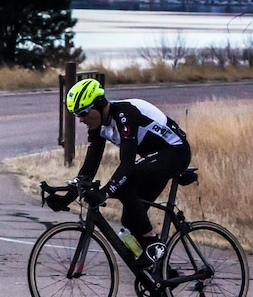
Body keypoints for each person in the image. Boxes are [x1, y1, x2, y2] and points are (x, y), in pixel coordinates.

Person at [66, 78, 191, 267]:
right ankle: (162, 274)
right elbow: (89, 168)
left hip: (175, 152)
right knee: (130, 219)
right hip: (153, 157)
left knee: (126, 183)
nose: (81, 119)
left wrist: (103, 193)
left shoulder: (125, 114)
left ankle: (153, 246)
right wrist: (66, 196)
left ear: (99, 105)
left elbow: (127, 165)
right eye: (77, 115)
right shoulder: (98, 125)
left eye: (83, 113)